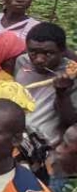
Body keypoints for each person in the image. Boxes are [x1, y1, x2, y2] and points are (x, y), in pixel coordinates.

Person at [18, 19, 77, 149]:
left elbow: (71, 121)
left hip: (46, 147)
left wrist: (62, 94)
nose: (39, 60)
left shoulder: (71, 74)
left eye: (48, 53)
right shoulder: (21, 62)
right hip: (16, 140)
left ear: (62, 51)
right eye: (33, 52)